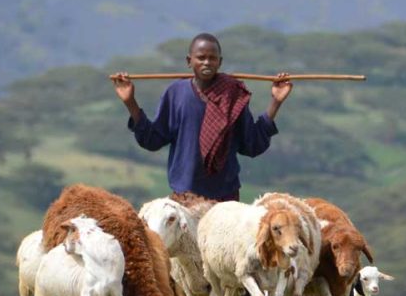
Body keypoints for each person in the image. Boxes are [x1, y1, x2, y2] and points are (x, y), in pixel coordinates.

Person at [110, 33, 292, 202]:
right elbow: (152, 140)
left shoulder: (232, 95)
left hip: (225, 197)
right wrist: (130, 101)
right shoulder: (175, 94)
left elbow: (252, 144)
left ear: (220, 62)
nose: (207, 62)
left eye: (212, 58)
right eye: (201, 57)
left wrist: (275, 102)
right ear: (189, 61)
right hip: (185, 197)